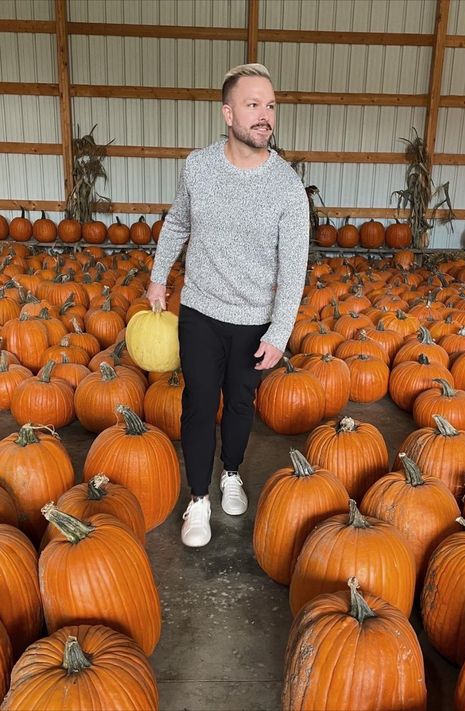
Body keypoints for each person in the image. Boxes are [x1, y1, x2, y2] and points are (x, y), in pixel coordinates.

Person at [147, 63, 309, 547]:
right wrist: (158, 280)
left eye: (271, 106)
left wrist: (279, 333)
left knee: (240, 404)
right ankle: (198, 499)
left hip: (254, 320)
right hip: (199, 310)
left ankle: (232, 473)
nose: (265, 116)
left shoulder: (287, 186)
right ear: (228, 113)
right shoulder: (198, 166)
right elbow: (177, 224)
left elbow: (294, 265)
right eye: (253, 104)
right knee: (198, 405)